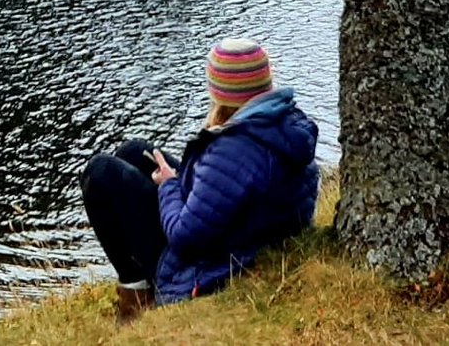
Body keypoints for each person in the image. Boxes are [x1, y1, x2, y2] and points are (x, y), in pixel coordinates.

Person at [79, 38, 321, 322]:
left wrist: (168, 186)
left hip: (209, 263)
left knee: (100, 174)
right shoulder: (284, 121)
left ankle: (138, 294)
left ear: (221, 91)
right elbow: (221, 190)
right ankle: (136, 285)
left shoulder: (233, 149)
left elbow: (185, 238)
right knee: (134, 152)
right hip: (246, 234)